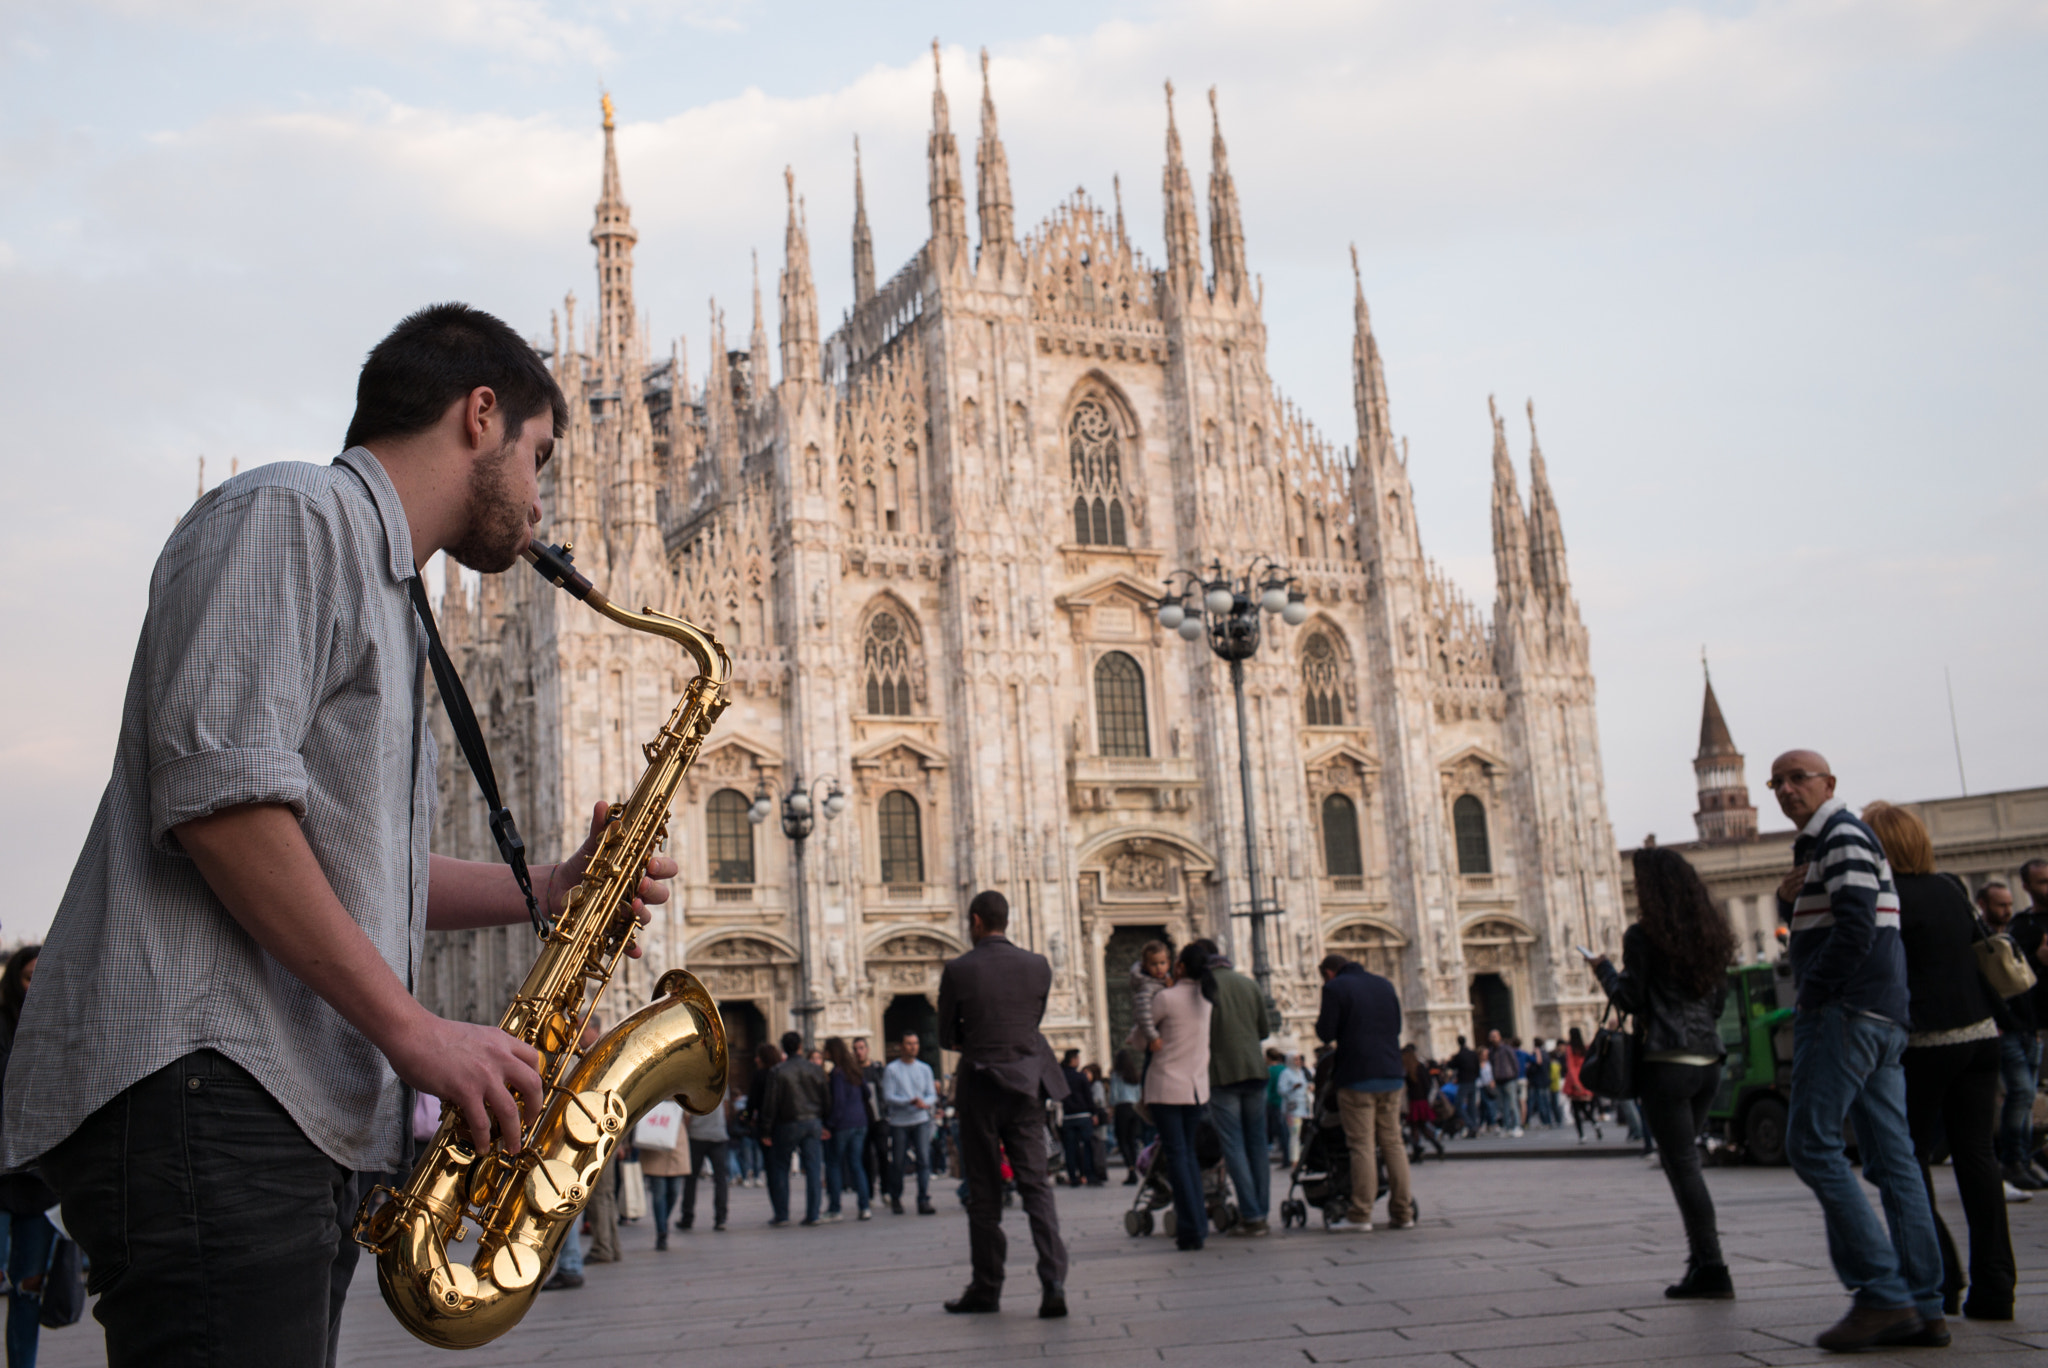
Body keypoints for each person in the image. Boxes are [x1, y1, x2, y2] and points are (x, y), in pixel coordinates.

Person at [0, 305, 687, 1368]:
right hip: (209, 1085)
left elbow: (346, 870)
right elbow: (223, 809)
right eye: (541, 457)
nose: (543, 498)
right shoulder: (290, 514)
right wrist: (417, 1033)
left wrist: (549, 886)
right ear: (480, 413)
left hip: (267, 1104)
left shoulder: (380, 589)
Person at [1769, 750, 1945, 1351]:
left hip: (1848, 1012)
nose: (1787, 790)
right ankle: (1925, 1302)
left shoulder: (1840, 835)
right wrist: (1789, 900)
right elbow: (1829, 918)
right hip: (1880, 1014)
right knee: (1893, 1161)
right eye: (1778, 782)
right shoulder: (1826, 845)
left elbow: (1855, 926)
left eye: (1799, 778)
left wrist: (1815, 992)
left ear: (1829, 784)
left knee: (1811, 1144)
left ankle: (1881, 1293)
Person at [1865, 803, 2012, 1320]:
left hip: (1924, 1043)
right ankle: (1996, 1288)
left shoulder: (1887, 899)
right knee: (1977, 1159)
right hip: (1980, 1035)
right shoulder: (1951, 891)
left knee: (1906, 1160)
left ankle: (1941, 1277)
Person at [1591, 846, 1736, 1299]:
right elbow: (1716, 1003)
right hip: (1708, 1062)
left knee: (1684, 1166)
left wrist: (1603, 970)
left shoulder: (1643, 935)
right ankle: (1700, 1262)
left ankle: (1712, 1266)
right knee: (1682, 1164)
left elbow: (1630, 999)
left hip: (1666, 1065)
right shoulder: (1711, 934)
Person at [937, 891, 1069, 1317]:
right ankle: (1053, 1282)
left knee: (985, 1191)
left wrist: (972, 1037)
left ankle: (988, 1286)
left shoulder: (959, 969)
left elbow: (944, 1036)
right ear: (1006, 920)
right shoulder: (1038, 966)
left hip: (981, 1086)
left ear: (976, 921)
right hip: (1028, 1085)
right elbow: (1032, 1020)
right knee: (1036, 1186)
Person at [1315, 952, 1414, 1232]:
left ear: (1329, 973)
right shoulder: (1384, 984)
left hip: (1357, 1076)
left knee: (1362, 1146)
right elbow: (1396, 1026)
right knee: (1393, 1144)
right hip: (1392, 1074)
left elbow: (1326, 1033)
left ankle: (1361, 1213)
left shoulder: (1335, 988)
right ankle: (1403, 1212)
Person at [1192, 940, 1278, 1237]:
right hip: (1255, 1071)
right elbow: (1265, 1030)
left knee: (1234, 1146)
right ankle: (1261, 1212)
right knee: (1257, 1145)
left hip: (1222, 1076)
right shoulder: (1248, 984)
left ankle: (1252, 1216)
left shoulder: (1202, 988)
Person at [0, 946, 57, 1368]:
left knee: (28, 1290)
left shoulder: (58, 1029)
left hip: (40, 1182)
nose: (35, 985)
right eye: (27, 977)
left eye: (42, 975)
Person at [1975, 880, 2047, 1191]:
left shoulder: (2011, 936)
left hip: (2028, 1029)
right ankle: (2012, 1160)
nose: (2006, 910)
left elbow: (2026, 987)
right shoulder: (1984, 941)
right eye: (2000, 904)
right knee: (2020, 1095)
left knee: (2026, 1095)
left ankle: (2022, 1159)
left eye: (2008, 904)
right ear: (1984, 905)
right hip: (2006, 1030)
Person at [1147, 943, 1216, 1251]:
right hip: (1196, 1088)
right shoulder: (1207, 999)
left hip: (1166, 1088)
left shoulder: (1165, 998)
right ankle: (1198, 1225)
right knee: (1188, 1155)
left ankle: (1190, 1230)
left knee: (1177, 1156)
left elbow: (1140, 1036)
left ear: (1181, 967)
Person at [761, 1031, 828, 1227]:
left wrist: (766, 1130)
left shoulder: (778, 1071)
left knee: (781, 1167)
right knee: (813, 1169)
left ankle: (782, 1214)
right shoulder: (815, 1069)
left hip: (787, 1123)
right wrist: (824, 1121)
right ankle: (813, 1213)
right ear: (800, 1047)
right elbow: (826, 1097)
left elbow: (770, 1103)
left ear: (783, 1048)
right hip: (812, 1122)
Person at [882, 1032, 938, 1216]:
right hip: (899, 1121)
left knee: (924, 1159)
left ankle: (923, 1199)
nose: (913, 1046)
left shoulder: (925, 1069)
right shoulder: (892, 1069)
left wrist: (925, 1102)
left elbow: (932, 1094)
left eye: (915, 1043)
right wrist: (908, 1101)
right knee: (898, 1162)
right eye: (908, 1043)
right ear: (901, 1046)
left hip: (921, 1119)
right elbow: (888, 1096)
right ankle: (896, 1197)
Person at [821, 1037, 873, 1221]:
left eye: (826, 1050)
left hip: (843, 1124)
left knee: (834, 1164)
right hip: (861, 1122)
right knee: (856, 1164)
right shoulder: (854, 1070)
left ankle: (835, 1208)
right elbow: (867, 1093)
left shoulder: (838, 1073)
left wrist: (830, 1125)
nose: (823, 1053)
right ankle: (864, 1206)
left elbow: (839, 1102)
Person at [679, 1086, 731, 1235]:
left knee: (691, 1178)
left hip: (697, 1134)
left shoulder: (692, 1081)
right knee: (720, 1179)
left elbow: (687, 1114)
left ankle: (687, 1217)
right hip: (718, 1134)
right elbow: (726, 1108)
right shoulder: (722, 1081)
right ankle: (721, 1218)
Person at [852, 1036, 892, 1201]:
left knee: (883, 1152)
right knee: (865, 1156)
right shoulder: (852, 1072)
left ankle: (886, 1190)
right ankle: (868, 1192)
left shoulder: (877, 1069)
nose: (859, 1052)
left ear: (867, 1049)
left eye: (861, 1048)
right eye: (855, 1049)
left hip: (879, 1117)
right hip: (861, 1120)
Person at [1057, 1050, 1098, 1187]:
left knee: (1070, 1148)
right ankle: (1089, 1174)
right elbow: (1088, 1096)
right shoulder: (1080, 1077)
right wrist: (1093, 1112)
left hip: (1067, 1116)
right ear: (1073, 1060)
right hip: (1082, 1115)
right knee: (1087, 1146)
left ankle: (1073, 1177)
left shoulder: (1061, 1077)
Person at [1126, 940, 1172, 1053]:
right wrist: (1153, 1037)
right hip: (1152, 1038)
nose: (1159, 968)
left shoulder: (1164, 981)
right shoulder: (1147, 987)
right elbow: (1143, 1013)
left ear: (1169, 963)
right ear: (1145, 966)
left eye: (1162, 963)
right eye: (1153, 964)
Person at [1403, 1045, 1446, 1161]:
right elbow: (1428, 1084)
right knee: (1422, 1127)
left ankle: (1418, 1150)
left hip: (1413, 1102)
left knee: (1415, 1128)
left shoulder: (1407, 1069)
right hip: (1422, 1101)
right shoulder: (1420, 1067)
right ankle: (1437, 1146)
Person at [1108, 1049, 1145, 1181]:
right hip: (1134, 1108)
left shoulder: (1117, 1075)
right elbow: (1139, 1094)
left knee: (1122, 1140)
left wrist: (1111, 1107)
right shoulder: (1134, 1075)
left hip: (1122, 1107)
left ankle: (1130, 1169)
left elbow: (1114, 1096)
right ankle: (1133, 1167)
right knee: (1132, 1140)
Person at [1562, 1027, 1601, 1142]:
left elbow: (1570, 1066)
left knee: (1576, 1110)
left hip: (1575, 1080)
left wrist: (1575, 1082)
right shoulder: (1584, 1048)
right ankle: (1594, 1123)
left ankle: (1582, 1135)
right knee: (1584, 1108)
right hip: (1584, 1078)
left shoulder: (1570, 1048)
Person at [1486, 1031, 1522, 1138]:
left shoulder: (1506, 1049)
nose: (1493, 1039)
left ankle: (1517, 1126)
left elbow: (1514, 1063)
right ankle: (1507, 1127)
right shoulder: (1491, 1051)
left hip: (1509, 1079)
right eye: (1491, 1037)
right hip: (1499, 1080)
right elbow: (1492, 1066)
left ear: (1499, 1037)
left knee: (1513, 1104)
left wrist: (1515, 1076)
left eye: (1495, 1036)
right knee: (1503, 1106)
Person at [1448, 1037, 1480, 1137]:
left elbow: (1451, 1065)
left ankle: (1471, 1125)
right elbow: (1477, 1067)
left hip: (1464, 1082)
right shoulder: (1472, 1054)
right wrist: (1475, 1076)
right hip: (1472, 1081)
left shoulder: (1460, 1055)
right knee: (1471, 1105)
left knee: (1458, 1104)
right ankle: (1474, 1127)